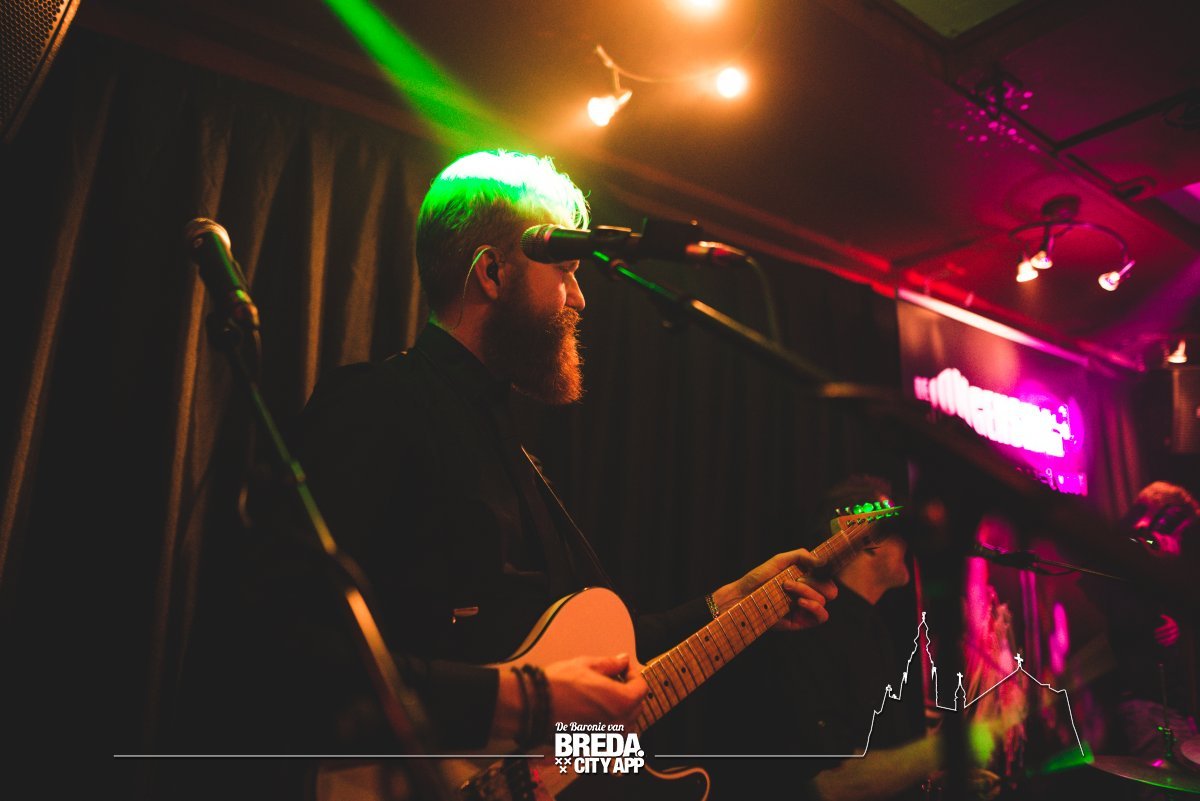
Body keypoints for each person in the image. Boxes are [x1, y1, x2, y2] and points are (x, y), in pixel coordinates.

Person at [291, 149, 837, 753]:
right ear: (492, 273)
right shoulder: (375, 404)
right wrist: (526, 700)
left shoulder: (505, 442)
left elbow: (595, 662)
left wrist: (728, 604)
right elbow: (286, 642)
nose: (579, 299)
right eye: (566, 272)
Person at [699, 475, 1001, 801]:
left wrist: (945, 783)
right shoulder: (806, 625)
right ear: (867, 540)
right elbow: (829, 781)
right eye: (898, 531)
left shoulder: (876, 630)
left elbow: (875, 760)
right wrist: (951, 746)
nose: (909, 544)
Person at [1100, 481, 1198, 772]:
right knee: (1166, 786)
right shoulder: (1123, 556)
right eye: (1175, 529)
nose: (1177, 540)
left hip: (1171, 703)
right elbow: (1122, 617)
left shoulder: (1158, 567)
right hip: (1147, 704)